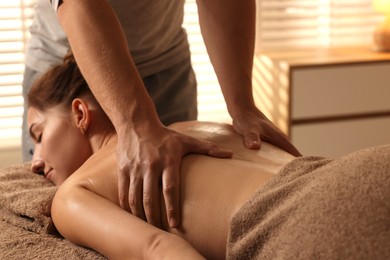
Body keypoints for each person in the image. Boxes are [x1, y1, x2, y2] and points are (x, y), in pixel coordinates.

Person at [27, 53, 390, 259]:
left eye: (39, 135)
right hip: (358, 168)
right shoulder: (198, 126)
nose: (35, 161)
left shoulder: (74, 193)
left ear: (80, 113)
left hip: (305, 223)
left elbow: (159, 249)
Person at [22, 0, 301, 228]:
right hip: (71, 64)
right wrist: (135, 124)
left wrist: (242, 104)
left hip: (164, 62)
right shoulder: (69, 196)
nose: (35, 163)